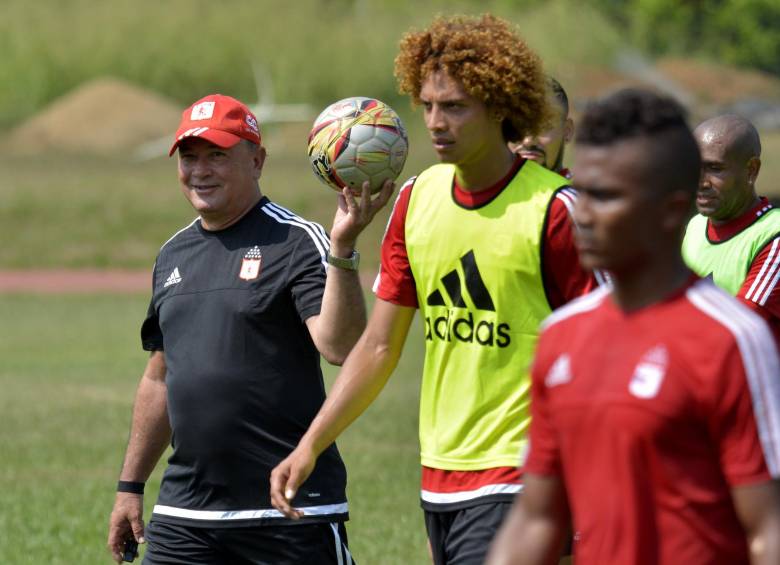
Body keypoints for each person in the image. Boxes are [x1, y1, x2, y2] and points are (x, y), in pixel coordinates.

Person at [269, 14, 597, 564]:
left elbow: (612, 347)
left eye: (456, 107)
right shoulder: (417, 199)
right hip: (442, 474)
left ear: (500, 107)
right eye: (427, 106)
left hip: (526, 469)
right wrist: (312, 444)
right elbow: (379, 347)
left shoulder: (557, 211)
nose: (436, 123)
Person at [486, 89, 780, 565]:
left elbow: (767, 529)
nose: (581, 213)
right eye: (582, 191)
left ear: (669, 209)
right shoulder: (561, 339)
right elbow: (537, 519)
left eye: (607, 196)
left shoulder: (731, 341)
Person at [106, 93, 392, 564]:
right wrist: (129, 487)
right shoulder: (172, 255)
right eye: (189, 157)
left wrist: (342, 249)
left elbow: (340, 347)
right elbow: (160, 377)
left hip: (288, 509)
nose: (200, 171)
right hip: (187, 513)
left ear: (257, 161)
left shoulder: (296, 241)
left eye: (217, 155)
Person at [682, 114, 780, 339]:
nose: (700, 181)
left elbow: (736, 331)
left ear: (751, 170)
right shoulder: (695, 226)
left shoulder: (773, 236)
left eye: (715, 168)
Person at [511, 77, 574, 179]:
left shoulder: (583, 190)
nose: (528, 141)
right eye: (518, 126)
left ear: (567, 131)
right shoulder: (484, 186)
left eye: (543, 127)